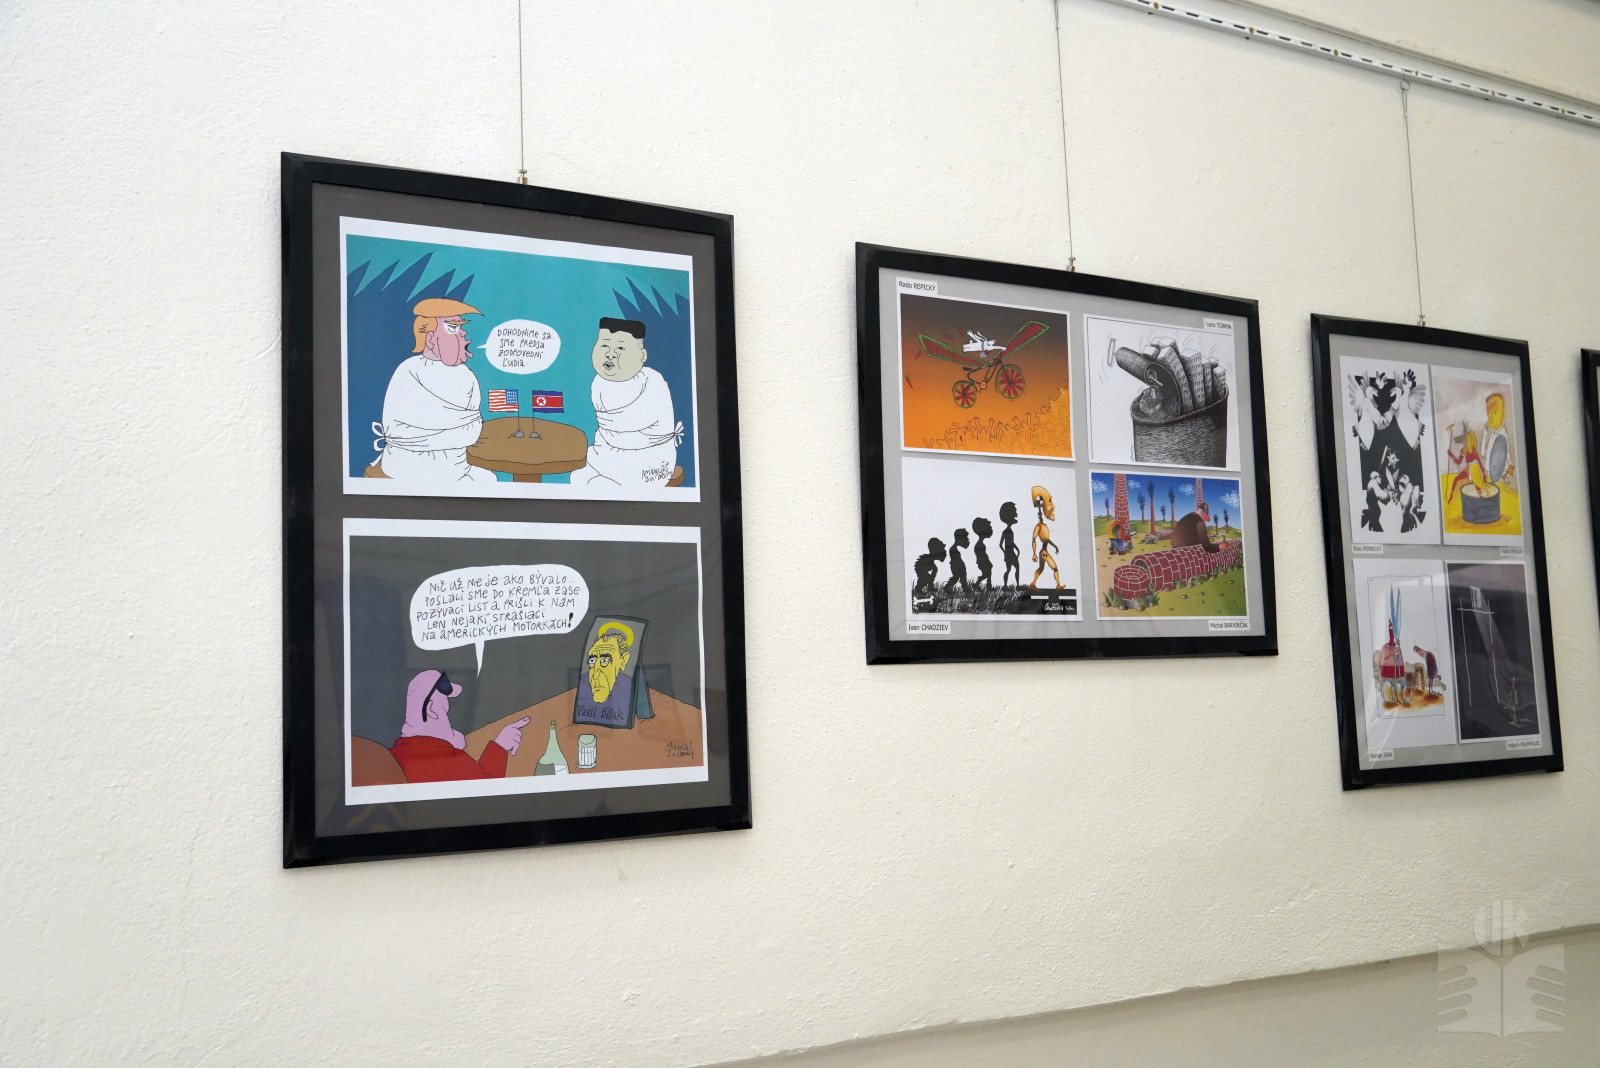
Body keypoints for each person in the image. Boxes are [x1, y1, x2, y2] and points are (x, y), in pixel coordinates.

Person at [372, 298, 497, 486]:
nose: (462, 333)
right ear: (430, 338)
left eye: (461, 327)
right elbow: (395, 430)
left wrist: (428, 430)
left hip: (456, 468)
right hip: (402, 468)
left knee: (489, 480)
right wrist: (452, 430)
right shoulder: (408, 371)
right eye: (452, 327)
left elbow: (472, 432)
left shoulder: (467, 375)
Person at [569, 318, 683, 489]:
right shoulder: (598, 383)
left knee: (599, 485)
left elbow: (633, 423)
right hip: (605, 453)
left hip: (649, 461)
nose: (611, 354)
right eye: (604, 345)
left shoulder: (653, 382)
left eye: (621, 348)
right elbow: (607, 430)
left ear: (642, 356)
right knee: (578, 478)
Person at [388, 670, 529, 783]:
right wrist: (501, 745)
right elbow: (487, 790)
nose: (449, 709)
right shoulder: (446, 759)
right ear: (431, 709)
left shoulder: (392, 757)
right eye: (445, 704)